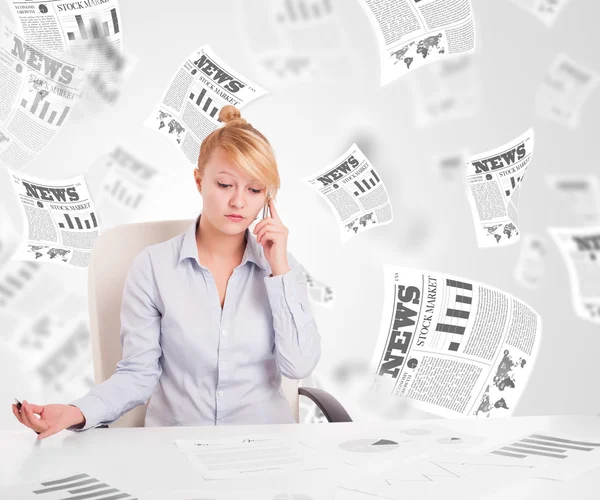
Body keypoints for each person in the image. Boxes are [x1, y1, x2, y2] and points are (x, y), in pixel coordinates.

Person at [12, 105, 322, 440]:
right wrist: (76, 412)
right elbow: (137, 374)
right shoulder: (153, 267)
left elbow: (299, 365)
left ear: (268, 198)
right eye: (224, 184)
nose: (238, 202)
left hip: (266, 448)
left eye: (254, 189)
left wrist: (279, 269)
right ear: (199, 181)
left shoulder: (283, 271)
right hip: (178, 449)